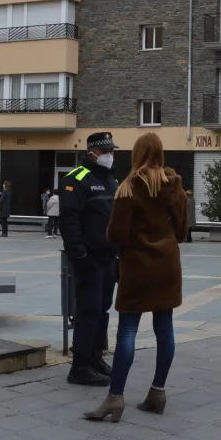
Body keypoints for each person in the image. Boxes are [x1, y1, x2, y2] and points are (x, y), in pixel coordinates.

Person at [84, 133, 188, 422]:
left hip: (137, 267)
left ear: (138, 154)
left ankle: (115, 397)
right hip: (167, 266)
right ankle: (157, 392)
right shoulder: (175, 187)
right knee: (164, 328)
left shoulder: (129, 187)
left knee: (128, 330)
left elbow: (116, 235)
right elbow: (181, 233)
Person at [60, 132, 120, 386]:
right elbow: (69, 219)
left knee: (102, 310)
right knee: (88, 311)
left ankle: (96, 357)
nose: (109, 155)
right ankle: (80, 366)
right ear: (91, 152)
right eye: (105, 151)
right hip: (89, 258)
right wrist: (80, 254)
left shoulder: (110, 179)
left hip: (109, 258)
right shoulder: (76, 178)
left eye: (111, 151)